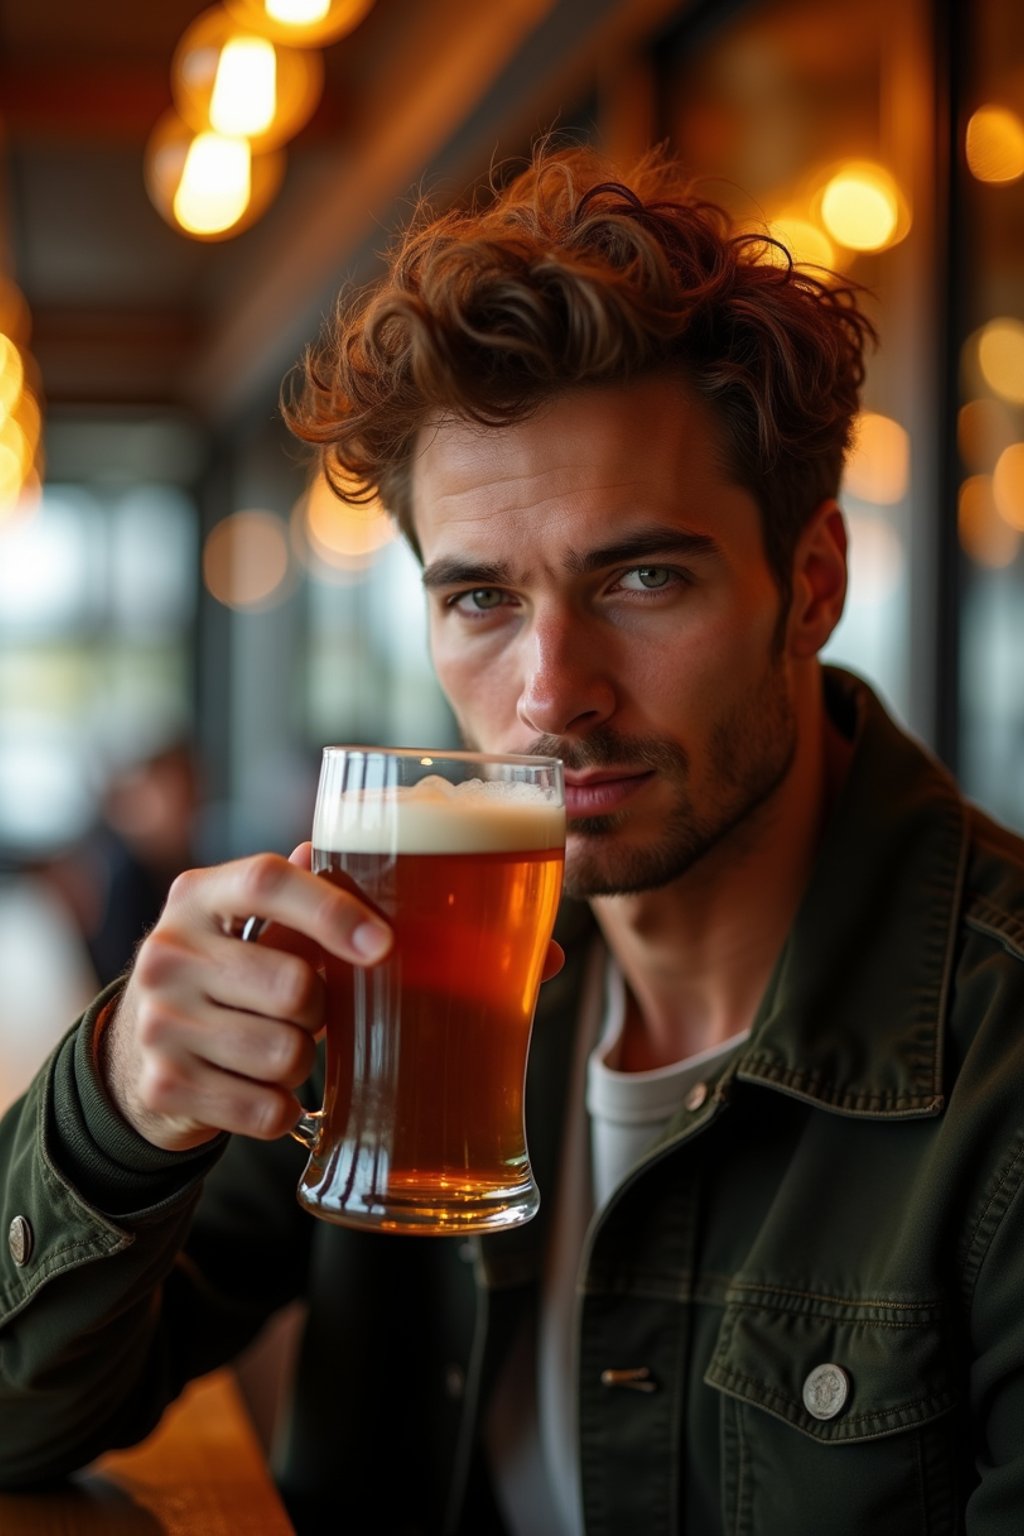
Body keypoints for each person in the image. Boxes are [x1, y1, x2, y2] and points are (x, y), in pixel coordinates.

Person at [1, 143, 1022, 1536]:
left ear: (814, 583)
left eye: (643, 577)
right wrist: (119, 1107)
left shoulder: (1001, 1053)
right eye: (480, 600)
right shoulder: (398, 974)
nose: (551, 695)